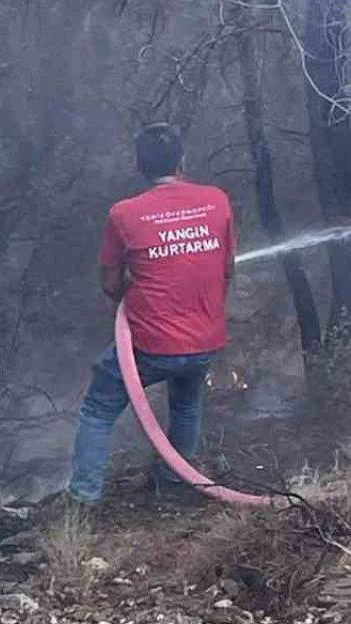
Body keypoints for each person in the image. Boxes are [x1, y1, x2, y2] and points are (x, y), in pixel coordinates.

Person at [64, 123, 236, 504]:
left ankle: (83, 497)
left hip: (150, 344)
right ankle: (176, 485)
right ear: (182, 161)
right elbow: (227, 270)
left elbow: (110, 283)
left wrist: (139, 293)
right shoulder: (217, 200)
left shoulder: (124, 214)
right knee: (187, 404)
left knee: (98, 410)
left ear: (139, 166)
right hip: (205, 338)